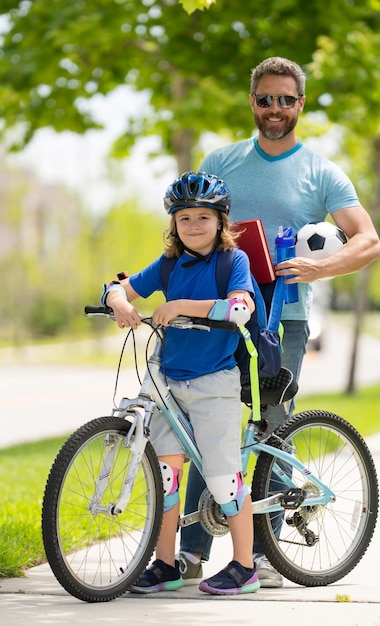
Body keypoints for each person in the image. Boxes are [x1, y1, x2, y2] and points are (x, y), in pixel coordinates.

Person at [178, 56, 380, 588]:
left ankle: (263, 556)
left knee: (269, 425)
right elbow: (190, 232)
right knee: (208, 422)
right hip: (220, 316)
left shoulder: (321, 171)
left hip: (284, 319)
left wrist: (321, 265)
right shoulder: (220, 161)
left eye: (285, 99)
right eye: (265, 98)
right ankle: (190, 554)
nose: (275, 108)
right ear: (253, 102)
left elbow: (368, 241)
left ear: (300, 104)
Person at [102, 171, 260, 596]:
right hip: (167, 384)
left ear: (221, 222)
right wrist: (119, 303)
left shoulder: (233, 261)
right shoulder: (169, 264)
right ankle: (165, 565)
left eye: (203, 217)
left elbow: (240, 307)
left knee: (225, 479)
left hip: (214, 382)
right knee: (166, 480)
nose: (193, 225)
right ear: (173, 223)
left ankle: (245, 568)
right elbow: (119, 288)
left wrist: (182, 306)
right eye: (184, 217)